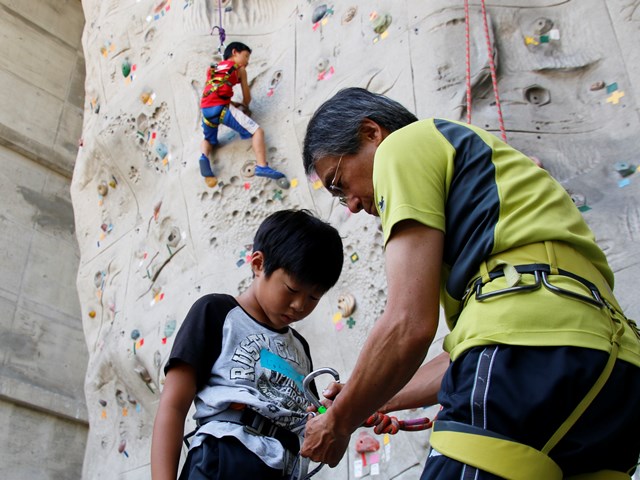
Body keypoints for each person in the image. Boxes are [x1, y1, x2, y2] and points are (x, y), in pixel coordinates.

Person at [299, 87, 640, 479]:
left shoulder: (403, 146)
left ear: (372, 132)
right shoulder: (488, 210)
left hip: (534, 349)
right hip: (618, 376)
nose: (353, 205)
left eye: (339, 183)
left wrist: (338, 421)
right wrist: (374, 398)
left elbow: (408, 324)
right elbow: (472, 354)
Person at [150, 209, 344, 479]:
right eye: (291, 290)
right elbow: (173, 404)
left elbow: (310, 427)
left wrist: (335, 415)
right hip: (226, 458)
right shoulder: (215, 312)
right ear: (257, 264)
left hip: (285, 470)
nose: (299, 305)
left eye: (313, 297)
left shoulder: (300, 348)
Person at [198, 41, 285, 187]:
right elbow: (247, 97)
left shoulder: (212, 69)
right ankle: (262, 166)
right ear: (234, 52)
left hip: (206, 110)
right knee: (257, 131)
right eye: (245, 56)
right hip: (222, 109)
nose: (247, 62)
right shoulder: (239, 69)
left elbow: (215, 92)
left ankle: (204, 156)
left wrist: (232, 103)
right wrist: (244, 106)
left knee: (209, 139)